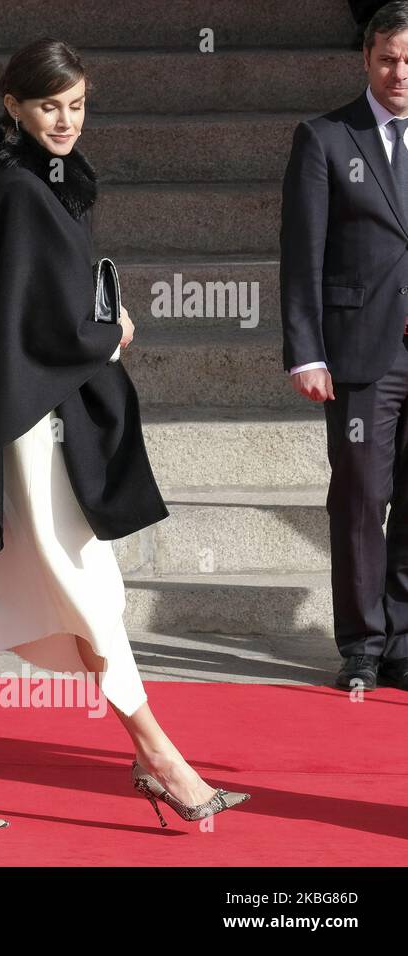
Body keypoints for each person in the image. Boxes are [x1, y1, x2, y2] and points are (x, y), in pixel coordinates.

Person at [0, 38, 250, 830]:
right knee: (90, 589)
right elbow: (37, 322)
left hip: (25, 417)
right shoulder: (19, 193)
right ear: (14, 105)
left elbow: (23, 311)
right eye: (49, 105)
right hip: (31, 429)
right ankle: (160, 759)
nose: (65, 120)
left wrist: (91, 323)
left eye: (77, 105)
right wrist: (108, 327)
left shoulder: (31, 187)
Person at [283, 1, 408, 693]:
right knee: (360, 498)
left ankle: (404, 639)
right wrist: (307, 351)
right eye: (388, 58)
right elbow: (301, 255)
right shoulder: (326, 137)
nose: (399, 72)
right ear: (366, 60)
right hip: (363, 352)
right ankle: (362, 643)